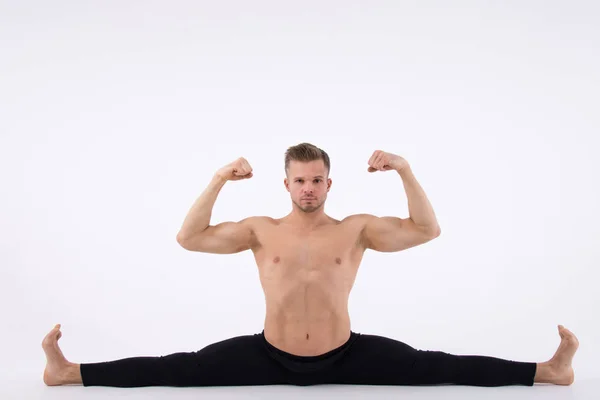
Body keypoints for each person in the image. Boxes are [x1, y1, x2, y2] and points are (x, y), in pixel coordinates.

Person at [42, 142, 578, 387]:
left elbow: (426, 230)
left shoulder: (356, 229)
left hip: (346, 356)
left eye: (317, 179)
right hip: (268, 356)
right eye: (299, 180)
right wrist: (217, 179)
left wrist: (405, 170)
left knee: (440, 368)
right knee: (176, 370)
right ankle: (68, 372)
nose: (308, 188)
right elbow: (188, 238)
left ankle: (548, 371)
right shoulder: (259, 230)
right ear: (286, 183)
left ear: (328, 181)